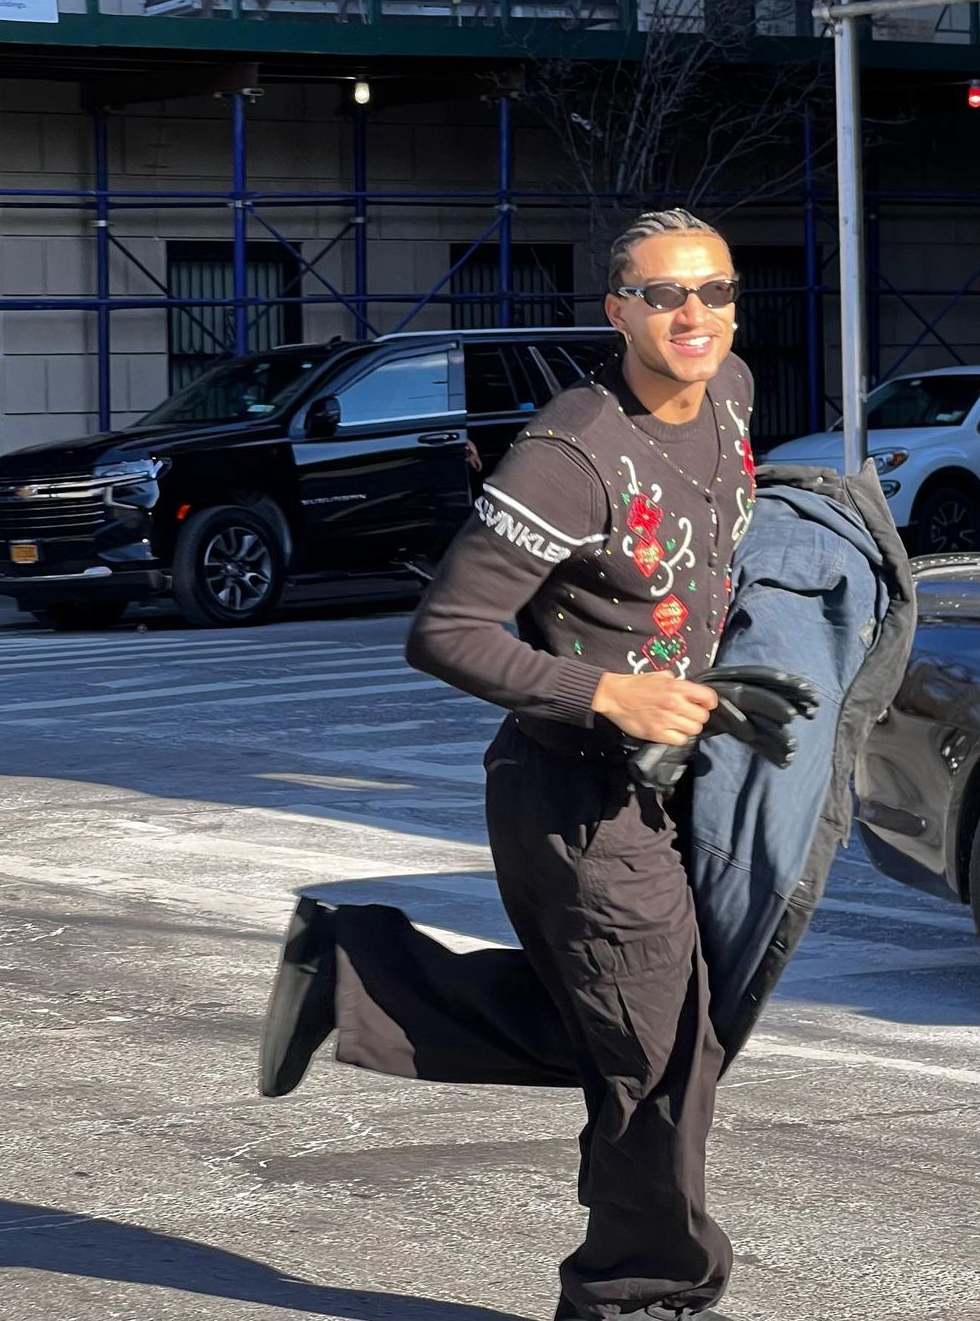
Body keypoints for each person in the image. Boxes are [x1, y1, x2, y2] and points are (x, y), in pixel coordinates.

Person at [260, 209, 762, 1320]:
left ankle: (356, 980)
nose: (695, 314)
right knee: (658, 1072)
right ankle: (633, 1296)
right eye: (665, 295)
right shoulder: (567, 457)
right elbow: (443, 632)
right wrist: (606, 692)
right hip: (574, 799)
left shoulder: (731, 392)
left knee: (654, 1030)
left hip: (685, 783)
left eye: (716, 290)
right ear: (617, 309)